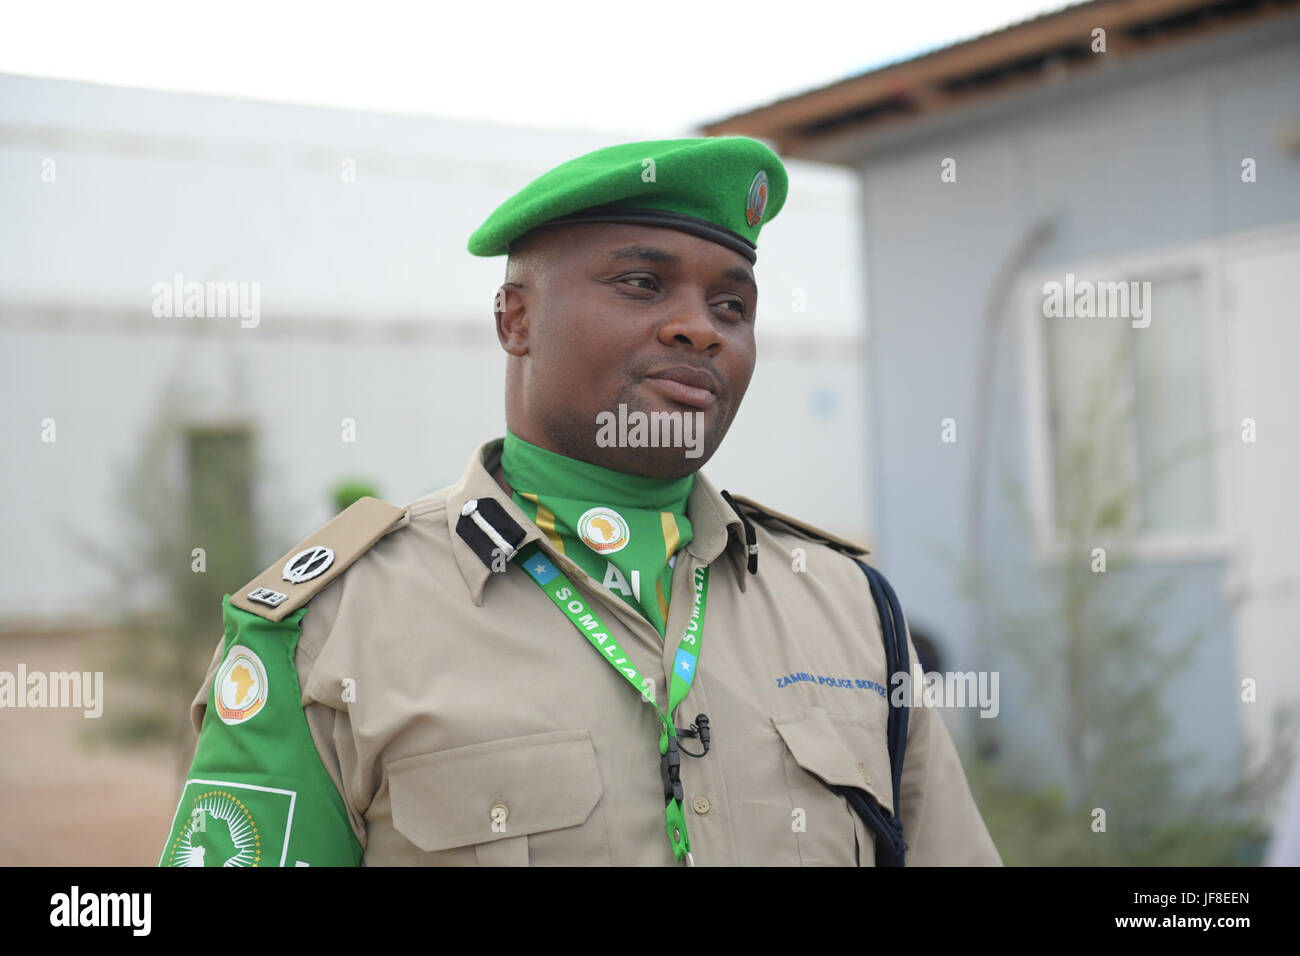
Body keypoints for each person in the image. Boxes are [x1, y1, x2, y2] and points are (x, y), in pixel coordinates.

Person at [159, 136, 1002, 866]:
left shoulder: (851, 611)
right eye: (641, 283)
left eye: (731, 305)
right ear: (516, 320)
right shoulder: (331, 630)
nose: (700, 328)